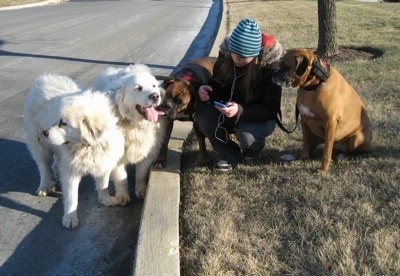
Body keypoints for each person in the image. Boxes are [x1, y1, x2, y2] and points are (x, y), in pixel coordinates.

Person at [195, 18, 283, 171]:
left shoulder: (271, 67)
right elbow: (217, 82)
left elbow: (271, 109)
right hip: (228, 110)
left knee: (246, 133)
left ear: (255, 55)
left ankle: (253, 150)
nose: (236, 59)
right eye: (234, 54)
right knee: (203, 118)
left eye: (242, 57)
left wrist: (239, 111)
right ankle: (229, 154)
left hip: (258, 117)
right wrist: (207, 90)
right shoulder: (226, 55)